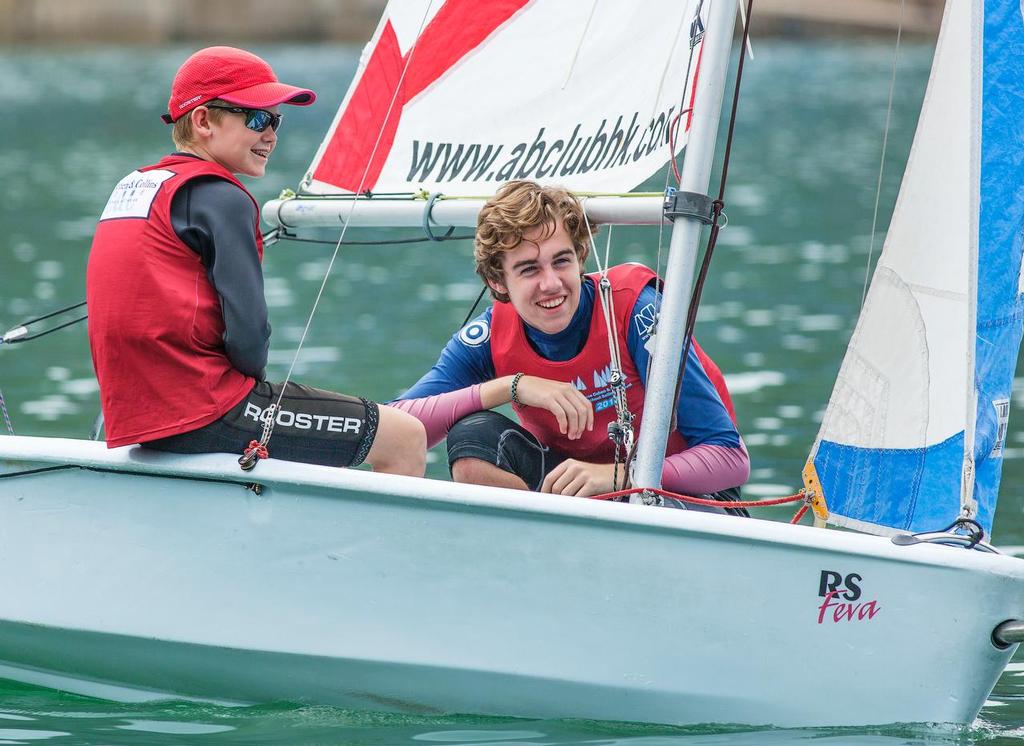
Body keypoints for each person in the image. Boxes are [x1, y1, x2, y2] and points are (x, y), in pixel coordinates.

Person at [86, 46, 425, 476]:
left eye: (276, 120)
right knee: (405, 438)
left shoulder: (133, 186)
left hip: (131, 420)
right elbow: (249, 336)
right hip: (204, 410)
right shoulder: (222, 197)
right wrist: (254, 394)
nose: (271, 135)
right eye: (257, 118)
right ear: (204, 120)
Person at [392, 180, 748, 508]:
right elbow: (394, 427)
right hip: (579, 499)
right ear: (497, 281)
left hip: (683, 497)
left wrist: (619, 475)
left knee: (636, 500)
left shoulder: (637, 311)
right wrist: (511, 388)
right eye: (529, 269)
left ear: (580, 257)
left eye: (561, 261)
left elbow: (731, 459)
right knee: (473, 438)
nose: (551, 284)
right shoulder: (488, 336)